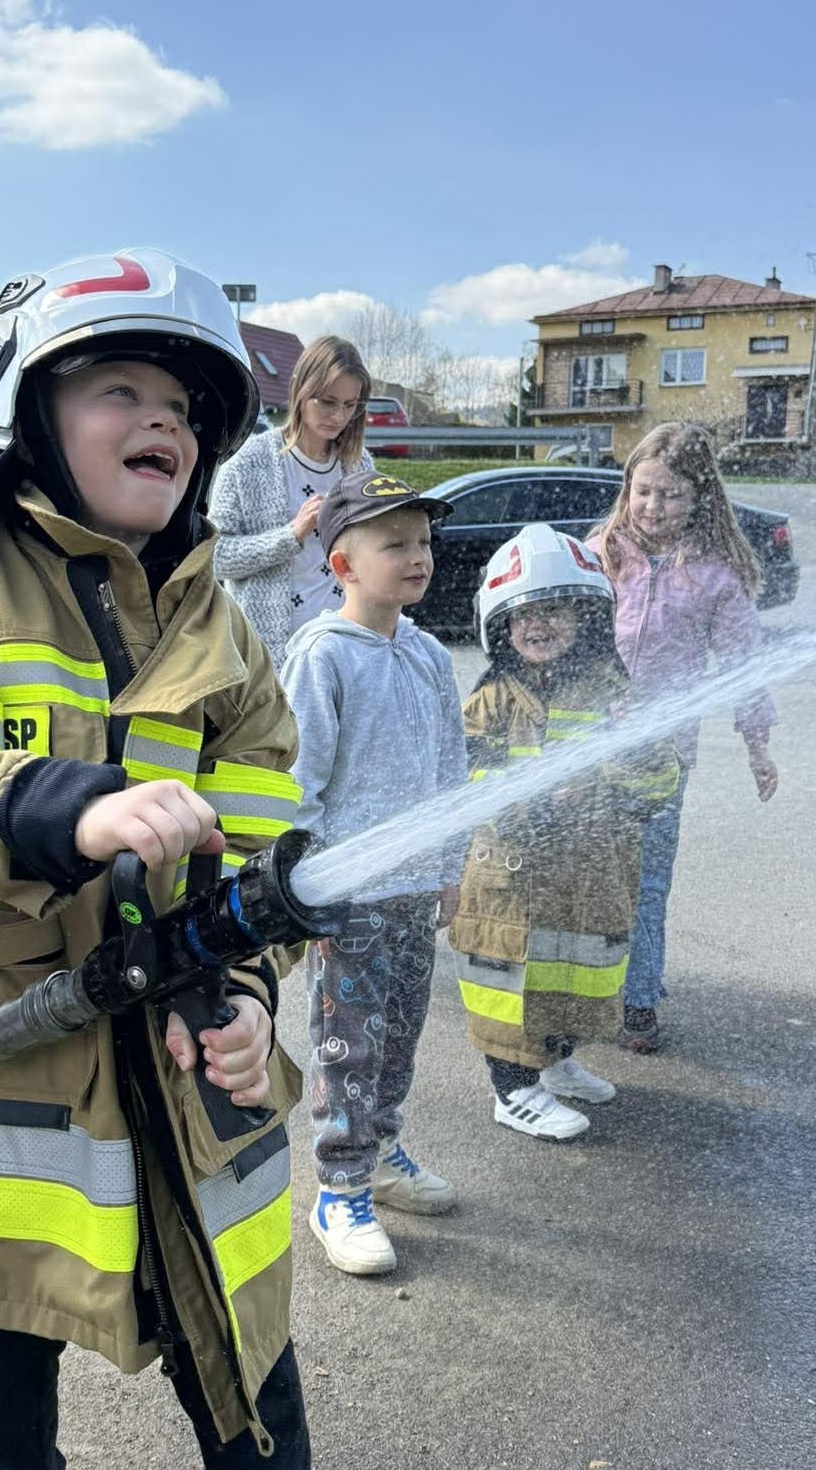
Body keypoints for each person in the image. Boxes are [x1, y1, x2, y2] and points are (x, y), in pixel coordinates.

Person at [0, 249, 312, 1468]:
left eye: (185, 408)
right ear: (24, 414)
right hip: (4, 1079)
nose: (163, 423)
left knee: (257, 1402)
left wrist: (247, 986)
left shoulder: (220, 622)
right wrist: (65, 807)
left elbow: (262, 834)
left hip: (196, 1089)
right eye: (120, 391)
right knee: (0, 1408)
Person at [277, 470, 465, 1277]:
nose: (417, 556)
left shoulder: (427, 654)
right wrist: (298, 881)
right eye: (396, 544)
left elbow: (452, 769)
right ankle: (339, 1187)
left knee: (399, 1040)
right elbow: (298, 779)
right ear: (344, 566)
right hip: (349, 897)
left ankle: (382, 1153)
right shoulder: (323, 656)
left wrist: (451, 866)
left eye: (423, 541)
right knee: (347, 1045)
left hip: (415, 891)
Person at [447, 525, 680, 1140]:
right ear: (500, 627)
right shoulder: (491, 700)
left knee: (567, 979)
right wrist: (533, 804)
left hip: (589, 875)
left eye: (555, 610)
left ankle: (552, 1062)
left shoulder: (614, 694)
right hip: (510, 883)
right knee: (509, 988)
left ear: (589, 618)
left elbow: (656, 790)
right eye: (524, 614)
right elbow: (464, 781)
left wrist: (643, 747)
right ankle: (512, 1090)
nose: (539, 625)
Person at [587, 423, 779, 1053]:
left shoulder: (714, 578)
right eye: (643, 491)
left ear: (699, 497)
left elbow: (745, 665)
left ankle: (638, 1001)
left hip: (664, 759)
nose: (653, 507)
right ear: (627, 487)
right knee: (581, 875)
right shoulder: (600, 555)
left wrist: (758, 744)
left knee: (646, 883)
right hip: (586, 748)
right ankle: (580, 994)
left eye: (669, 495)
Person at [209, 335, 376, 665]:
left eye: (350, 404)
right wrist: (291, 535)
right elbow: (214, 557)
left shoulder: (359, 465)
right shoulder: (249, 461)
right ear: (299, 389)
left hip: (348, 644)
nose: (339, 416)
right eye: (327, 401)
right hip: (273, 654)